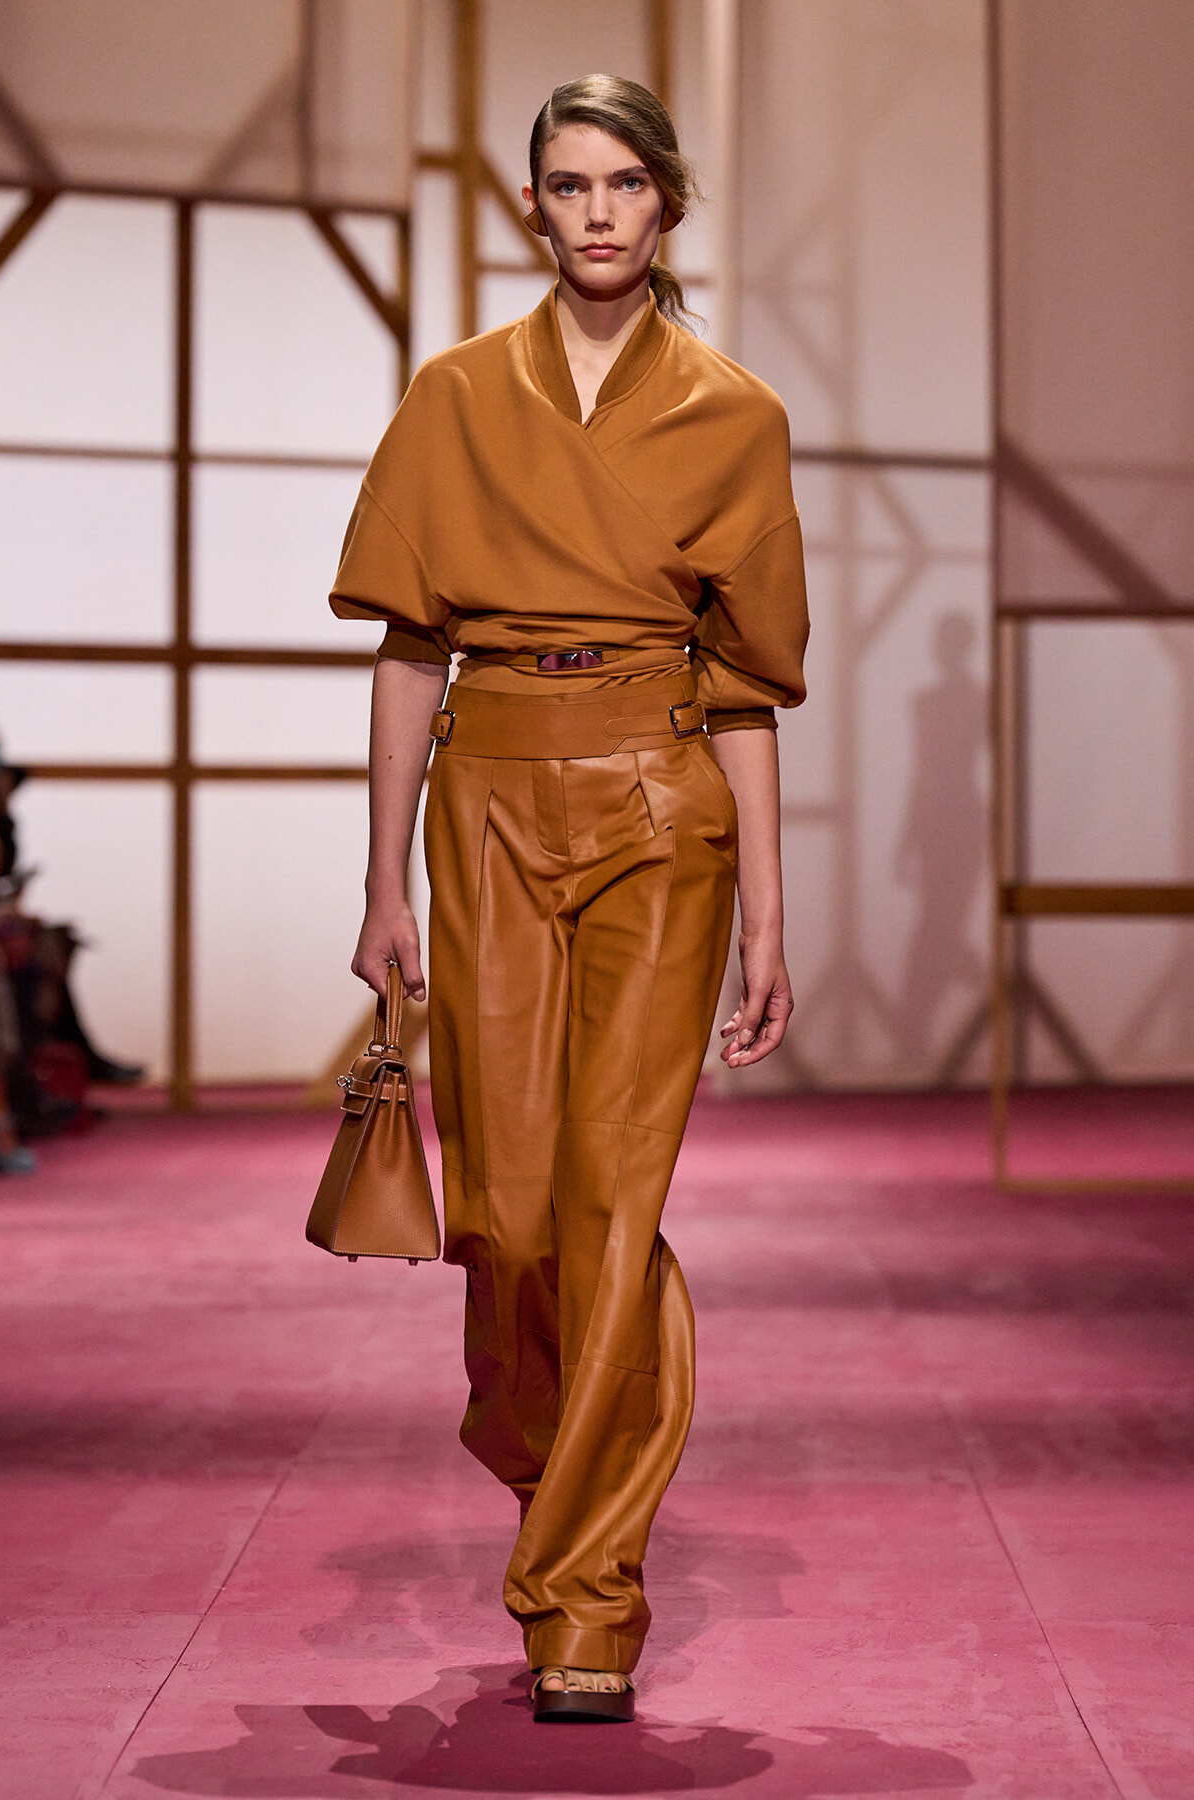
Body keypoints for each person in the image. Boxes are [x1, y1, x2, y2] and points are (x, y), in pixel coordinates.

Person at [331, 74, 809, 1723]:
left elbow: (745, 685)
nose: (597, 211)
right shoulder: (456, 394)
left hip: (663, 799)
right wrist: (379, 871)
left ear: (666, 203)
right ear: (532, 206)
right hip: (485, 802)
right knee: (511, 1209)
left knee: (614, 1195)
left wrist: (768, 911)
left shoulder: (734, 413)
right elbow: (409, 643)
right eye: (566, 185)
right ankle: (554, 1449)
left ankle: (583, 1588)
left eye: (623, 184)